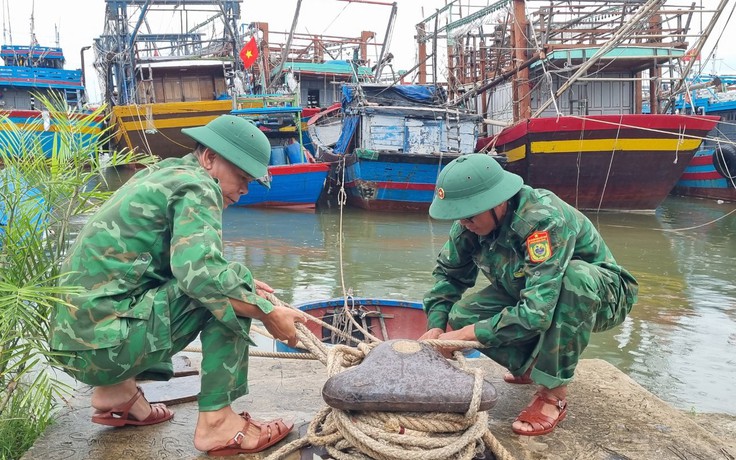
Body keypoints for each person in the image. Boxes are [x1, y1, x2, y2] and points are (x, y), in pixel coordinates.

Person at [50, 115, 307, 455]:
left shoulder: (163, 173)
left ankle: (116, 393)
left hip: (75, 343)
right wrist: (269, 312)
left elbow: (152, 267)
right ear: (210, 159)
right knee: (232, 286)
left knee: (229, 282)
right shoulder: (200, 186)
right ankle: (218, 424)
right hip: (103, 348)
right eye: (242, 177)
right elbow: (203, 276)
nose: (244, 190)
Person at [420, 154, 638, 436]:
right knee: (463, 315)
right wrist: (437, 326)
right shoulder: (469, 225)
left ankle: (553, 393)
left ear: (497, 203)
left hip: (602, 295)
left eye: (469, 216)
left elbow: (537, 311)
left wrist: (461, 337)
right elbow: (449, 275)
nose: (463, 223)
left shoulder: (541, 220)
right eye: (459, 217)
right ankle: (532, 366)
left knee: (575, 277)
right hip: (532, 290)